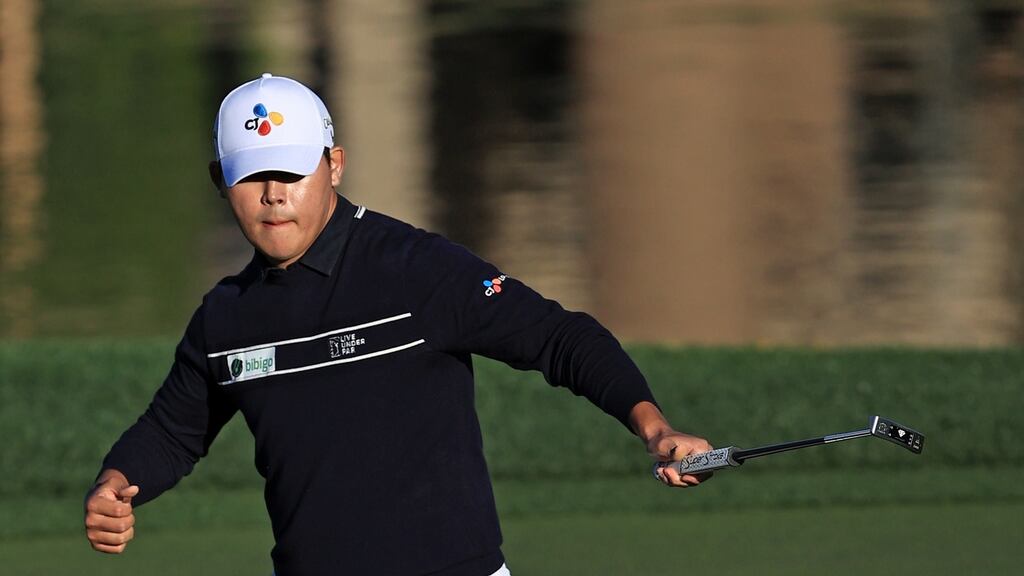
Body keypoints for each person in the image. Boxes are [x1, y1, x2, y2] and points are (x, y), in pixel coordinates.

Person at [83, 73, 712, 576]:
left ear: (334, 164)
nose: (273, 193)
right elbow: (171, 433)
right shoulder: (226, 316)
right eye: (251, 175)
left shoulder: (416, 269)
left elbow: (557, 337)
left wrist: (654, 428)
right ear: (220, 182)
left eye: (292, 171)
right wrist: (115, 484)